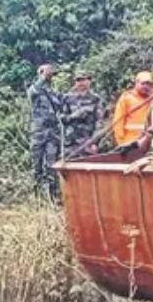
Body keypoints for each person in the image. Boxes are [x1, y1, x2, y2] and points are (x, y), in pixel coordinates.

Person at [27, 64, 63, 201]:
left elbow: (60, 105)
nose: (49, 75)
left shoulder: (53, 92)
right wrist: (43, 75)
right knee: (36, 165)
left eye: (50, 73)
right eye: (46, 73)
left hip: (52, 133)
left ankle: (54, 196)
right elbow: (33, 91)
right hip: (39, 133)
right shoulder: (34, 90)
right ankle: (37, 196)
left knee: (52, 165)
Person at [112, 71, 153, 149]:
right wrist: (121, 142)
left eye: (149, 84)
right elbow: (118, 122)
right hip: (129, 142)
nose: (146, 86)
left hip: (149, 142)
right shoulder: (127, 97)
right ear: (136, 83)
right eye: (143, 83)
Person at [62, 72, 101, 157]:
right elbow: (61, 119)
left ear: (89, 81)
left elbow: (99, 123)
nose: (80, 83)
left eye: (83, 80)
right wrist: (73, 116)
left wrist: (94, 142)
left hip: (87, 142)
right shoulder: (67, 98)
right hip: (70, 143)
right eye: (78, 80)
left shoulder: (95, 99)